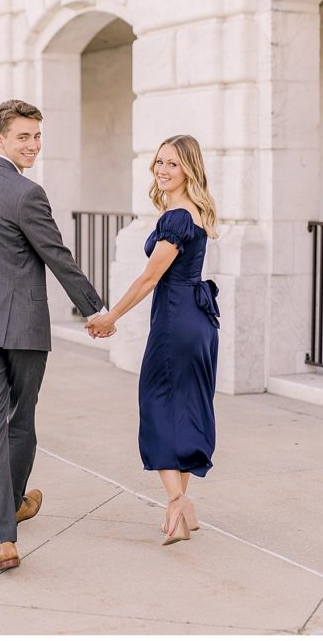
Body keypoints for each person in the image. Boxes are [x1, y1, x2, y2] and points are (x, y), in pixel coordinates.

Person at [0, 99, 109, 571]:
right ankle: (11, 507)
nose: (33, 145)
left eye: (37, 136)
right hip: (22, 324)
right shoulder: (26, 193)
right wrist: (95, 309)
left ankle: (4, 534)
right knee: (19, 420)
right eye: (23, 137)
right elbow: (58, 256)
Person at [86, 135, 219, 546]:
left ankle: (176, 502)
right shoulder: (196, 211)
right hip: (197, 321)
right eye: (159, 162)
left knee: (157, 405)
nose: (162, 170)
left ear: (189, 170)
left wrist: (111, 316)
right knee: (184, 407)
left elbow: (150, 277)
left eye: (173, 164)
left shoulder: (177, 218)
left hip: (175, 323)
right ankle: (186, 507)